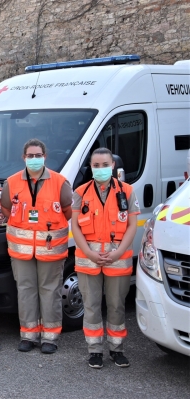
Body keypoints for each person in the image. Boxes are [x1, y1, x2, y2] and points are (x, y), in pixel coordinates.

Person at [0, 139, 72, 354]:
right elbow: (5, 209)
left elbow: (68, 211)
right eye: (30, 156)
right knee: (25, 291)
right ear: (23, 158)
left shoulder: (60, 182)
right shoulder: (11, 182)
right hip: (21, 251)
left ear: (45, 156)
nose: (34, 159)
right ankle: (28, 334)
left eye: (37, 155)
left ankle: (50, 336)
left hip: (51, 250)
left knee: (50, 291)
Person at [71, 147, 139, 369]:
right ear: (90, 168)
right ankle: (95, 351)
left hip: (117, 260)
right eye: (96, 165)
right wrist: (90, 253)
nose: (100, 169)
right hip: (88, 260)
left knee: (116, 306)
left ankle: (116, 349)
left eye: (105, 165)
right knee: (91, 306)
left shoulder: (127, 191)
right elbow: (75, 226)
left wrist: (118, 252)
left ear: (113, 166)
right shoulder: (80, 192)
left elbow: (131, 226)